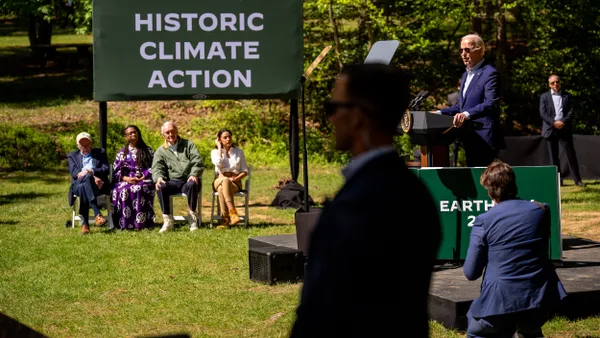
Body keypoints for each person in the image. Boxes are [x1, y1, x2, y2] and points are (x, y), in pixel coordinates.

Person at [290, 63, 442, 338]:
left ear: (359, 115)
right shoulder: (414, 193)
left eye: (334, 107)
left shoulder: (359, 204)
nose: (331, 118)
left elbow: (325, 309)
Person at [463, 161, 567, 338]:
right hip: (540, 297)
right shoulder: (541, 210)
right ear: (514, 184)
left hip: (499, 303)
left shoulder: (484, 220)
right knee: (530, 329)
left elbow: (471, 272)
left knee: (477, 329)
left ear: (489, 192)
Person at [435, 33, 505, 167]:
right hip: (469, 135)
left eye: (467, 50)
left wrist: (466, 115)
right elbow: (462, 106)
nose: (463, 54)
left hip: (484, 136)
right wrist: (438, 113)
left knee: (485, 179)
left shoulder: (490, 73)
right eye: (461, 50)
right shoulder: (466, 74)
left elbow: (491, 103)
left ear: (480, 50)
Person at [152, 121, 204, 232]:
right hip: (173, 182)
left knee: (192, 184)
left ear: (177, 131)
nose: (171, 134)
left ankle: (192, 218)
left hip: (187, 180)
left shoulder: (188, 145)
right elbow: (157, 167)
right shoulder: (161, 151)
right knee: (161, 186)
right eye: (167, 132)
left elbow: (197, 161)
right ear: (163, 135)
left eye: (172, 131)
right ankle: (168, 220)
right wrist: (159, 178)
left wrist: (194, 174)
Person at [539, 75, 585, 187]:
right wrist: (553, 123)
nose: (555, 84)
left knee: (571, 155)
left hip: (564, 128)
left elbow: (571, 111)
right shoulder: (544, 97)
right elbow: (542, 113)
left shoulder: (567, 96)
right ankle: (558, 181)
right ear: (549, 85)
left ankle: (577, 180)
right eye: (552, 83)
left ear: (560, 83)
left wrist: (562, 122)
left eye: (557, 82)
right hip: (551, 129)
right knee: (554, 157)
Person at [110, 125, 156, 230]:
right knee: (124, 190)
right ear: (126, 137)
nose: (133, 134)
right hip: (126, 179)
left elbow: (155, 168)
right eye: (130, 133)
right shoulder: (122, 153)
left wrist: (143, 176)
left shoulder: (148, 151)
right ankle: (125, 224)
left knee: (139, 188)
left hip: (144, 179)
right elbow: (116, 171)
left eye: (135, 132)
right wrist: (126, 179)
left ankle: (141, 224)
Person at [67, 132, 110, 234]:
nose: (85, 146)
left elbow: (106, 169)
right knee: (85, 181)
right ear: (77, 145)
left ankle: (85, 224)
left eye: (87, 143)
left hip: (98, 185)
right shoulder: (72, 155)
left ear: (91, 143)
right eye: (82, 144)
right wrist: (92, 176)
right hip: (77, 184)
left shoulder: (100, 153)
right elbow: (74, 173)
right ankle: (97, 213)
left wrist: (90, 171)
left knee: (84, 186)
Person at [211, 128, 248, 229]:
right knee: (224, 181)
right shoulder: (214, 152)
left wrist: (236, 179)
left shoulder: (239, 152)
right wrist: (219, 148)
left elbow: (245, 171)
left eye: (229, 137)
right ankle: (233, 213)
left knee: (222, 188)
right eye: (225, 137)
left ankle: (225, 220)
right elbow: (218, 163)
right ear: (219, 139)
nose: (228, 139)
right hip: (219, 179)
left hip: (235, 182)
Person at [448, 79, 463, 167]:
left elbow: (450, 110)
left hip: (454, 124)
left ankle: (453, 165)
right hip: (465, 123)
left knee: (454, 147)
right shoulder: (465, 96)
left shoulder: (451, 96)